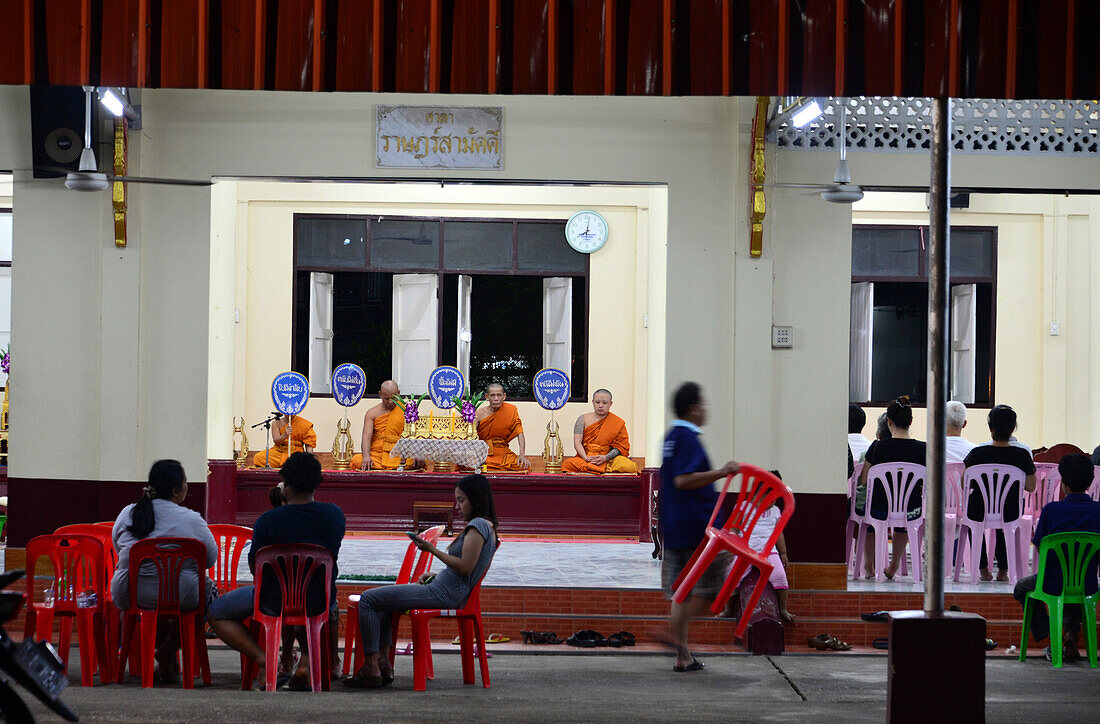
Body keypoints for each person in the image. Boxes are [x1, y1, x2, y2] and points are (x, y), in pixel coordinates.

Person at [346, 474, 499, 688]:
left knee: (369, 600)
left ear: (477, 499)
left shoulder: (477, 526)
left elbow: (466, 567)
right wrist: (436, 575)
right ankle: (383, 663)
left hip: (444, 593)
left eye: (462, 500)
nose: (457, 506)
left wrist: (431, 549)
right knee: (382, 604)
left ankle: (371, 665)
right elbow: (466, 570)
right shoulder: (486, 527)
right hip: (444, 588)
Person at [209, 452, 346, 690]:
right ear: (318, 483)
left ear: (285, 484)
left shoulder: (267, 520)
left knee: (215, 612)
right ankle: (308, 660)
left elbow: (255, 569)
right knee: (309, 597)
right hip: (319, 599)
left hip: (273, 601)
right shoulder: (334, 515)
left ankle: (264, 659)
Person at [112, 460, 218, 684]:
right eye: (186, 483)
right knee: (208, 593)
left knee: (156, 601)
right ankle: (167, 651)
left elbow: (118, 545)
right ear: (177, 490)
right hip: (184, 597)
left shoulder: (128, 513)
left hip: (133, 594)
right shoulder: (192, 520)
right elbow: (210, 558)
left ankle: (167, 665)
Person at [660, 382, 739, 673]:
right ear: (693, 409)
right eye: (703, 404)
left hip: (675, 525)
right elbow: (683, 480)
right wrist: (721, 472)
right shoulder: (689, 440)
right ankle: (675, 636)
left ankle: (683, 655)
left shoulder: (671, 437)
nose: (706, 410)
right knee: (711, 594)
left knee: (682, 592)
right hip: (698, 528)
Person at [1012, 453, 1100, 663]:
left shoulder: (1052, 510)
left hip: (1051, 582)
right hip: (1087, 583)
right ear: (1090, 482)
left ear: (1064, 484)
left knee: (1022, 588)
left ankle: (1054, 639)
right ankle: (1071, 635)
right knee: (1075, 583)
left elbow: (1042, 546)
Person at [963, 404, 1036, 582]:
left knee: (974, 525)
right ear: (1013, 429)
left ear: (990, 428)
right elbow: (1031, 486)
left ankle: (982, 570)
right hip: (1010, 510)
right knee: (1006, 526)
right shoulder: (1022, 455)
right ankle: (1003, 571)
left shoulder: (977, 453)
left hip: (979, 509)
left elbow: (966, 481)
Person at [858, 396, 925, 580]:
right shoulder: (923, 449)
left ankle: (869, 566)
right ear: (911, 421)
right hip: (912, 510)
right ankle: (894, 565)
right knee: (903, 524)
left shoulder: (877, 447)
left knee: (870, 524)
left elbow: (864, 480)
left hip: (878, 510)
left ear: (888, 421)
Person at [720, 470, 794, 624]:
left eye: (775, 499)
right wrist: (732, 546)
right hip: (745, 551)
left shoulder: (775, 511)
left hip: (769, 552)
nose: (771, 503)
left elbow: (778, 532)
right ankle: (727, 608)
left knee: (780, 577)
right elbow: (733, 528)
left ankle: (782, 609)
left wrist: (783, 553)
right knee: (732, 577)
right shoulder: (744, 507)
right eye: (767, 499)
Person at [561, 389, 639, 474]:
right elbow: (577, 443)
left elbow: (621, 447)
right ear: (592, 402)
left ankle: (596, 468)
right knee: (568, 464)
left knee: (628, 466)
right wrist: (586, 458)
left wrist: (605, 457)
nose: (600, 405)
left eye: (604, 403)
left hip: (608, 459)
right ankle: (598, 468)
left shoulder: (617, 422)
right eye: (597, 402)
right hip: (586, 457)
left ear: (610, 404)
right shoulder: (582, 419)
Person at [351, 380, 409, 471]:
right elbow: (366, 437)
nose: (390, 402)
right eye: (386, 398)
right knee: (357, 460)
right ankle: (395, 467)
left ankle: (396, 465)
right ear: (380, 394)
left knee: (419, 461)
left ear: (398, 393)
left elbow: (413, 436)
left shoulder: (407, 411)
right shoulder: (372, 413)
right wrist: (366, 456)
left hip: (399, 455)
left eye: (393, 398)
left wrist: (416, 455)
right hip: (378, 456)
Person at [475, 382, 530, 471]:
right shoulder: (479, 413)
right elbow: (470, 435)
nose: (496, 399)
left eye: (499, 395)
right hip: (484, 452)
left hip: (503, 453)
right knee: (469, 465)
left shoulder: (511, 410)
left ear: (504, 396)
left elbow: (520, 433)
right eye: (492, 395)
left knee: (522, 466)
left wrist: (522, 455)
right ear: (486, 397)